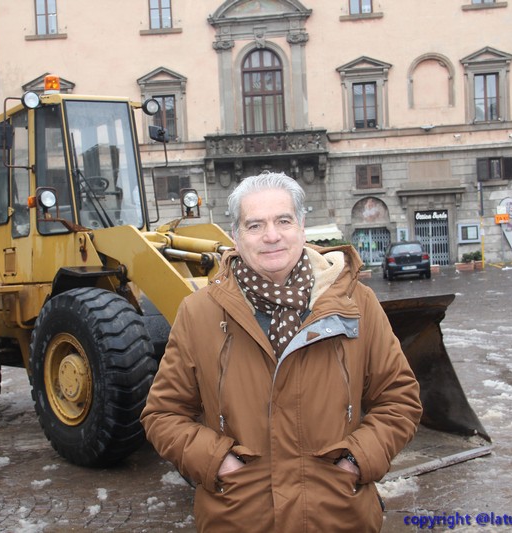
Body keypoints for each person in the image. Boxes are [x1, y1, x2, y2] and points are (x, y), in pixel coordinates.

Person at [140, 172, 422, 532]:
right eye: (255, 225)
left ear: (301, 226)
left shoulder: (357, 305)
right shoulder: (199, 313)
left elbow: (400, 399)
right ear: (237, 236)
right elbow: (163, 415)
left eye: (283, 221)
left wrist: (357, 459)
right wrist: (216, 461)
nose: (271, 236)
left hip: (338, 515)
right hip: (238, 517)